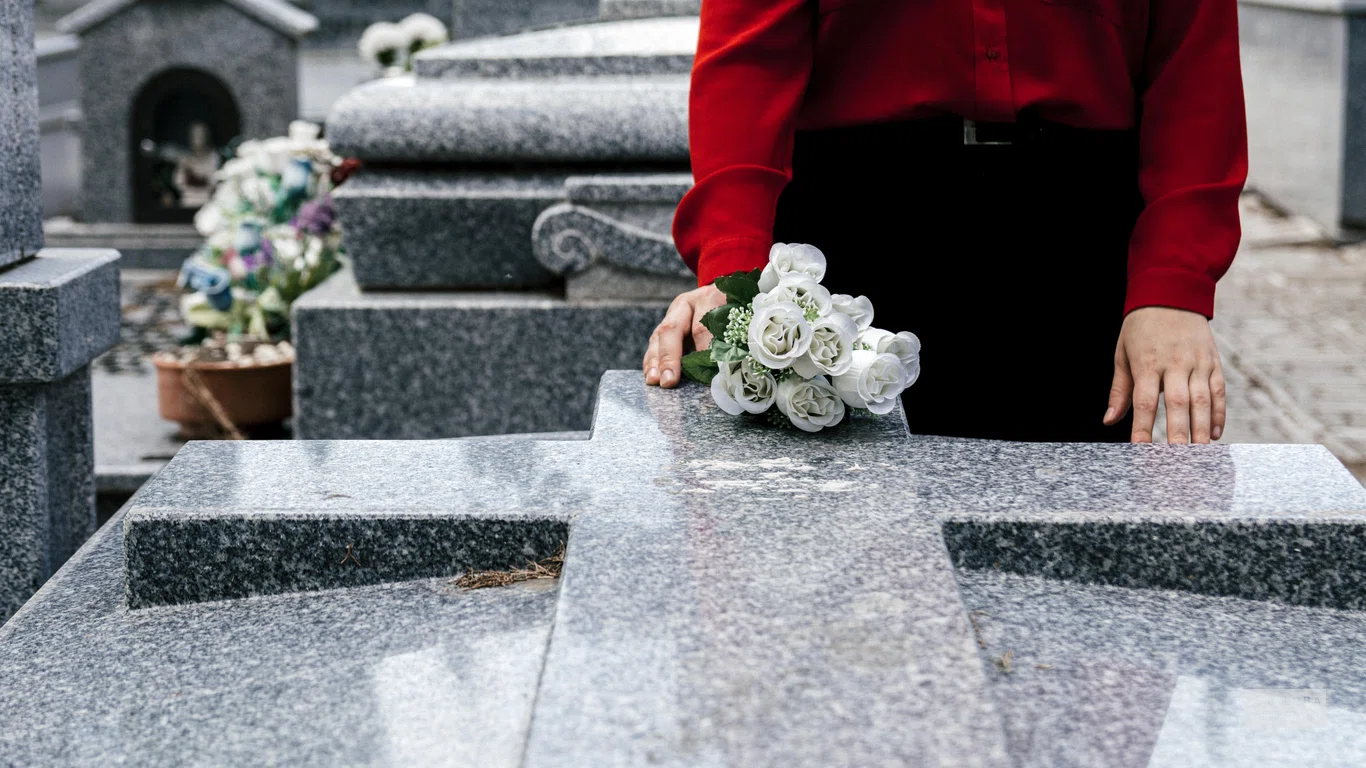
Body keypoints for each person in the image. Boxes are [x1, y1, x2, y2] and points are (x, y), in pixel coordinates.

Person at [643, 0, 1246, 445]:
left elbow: (1194, 67)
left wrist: (1173, 283)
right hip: (857, 229)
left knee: (1078, 552)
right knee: (845, 553)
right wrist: (736, 271)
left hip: (1076, 240)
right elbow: (749, 58)